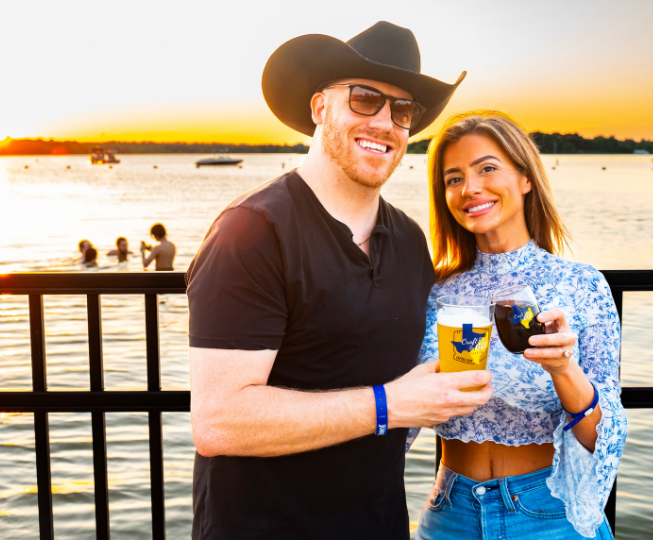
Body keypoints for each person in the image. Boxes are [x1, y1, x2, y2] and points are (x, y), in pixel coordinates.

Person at [185, 21, 480, 540]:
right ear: (320, 108)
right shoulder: (253, 231)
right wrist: (391, 405)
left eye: (403, 111)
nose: (385, 123)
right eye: (365, 99)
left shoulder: (410, 242)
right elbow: (219, 421)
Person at [414, 111, 626, 539]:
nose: (470, 188)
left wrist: (564, 369)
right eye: (454, 178)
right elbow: (397, 421)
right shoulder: (431, 290)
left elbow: (602, 439)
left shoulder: (580, 285)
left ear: (526, 178)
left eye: (487, 169)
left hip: (551, 513)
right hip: (449, 512)